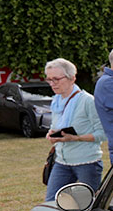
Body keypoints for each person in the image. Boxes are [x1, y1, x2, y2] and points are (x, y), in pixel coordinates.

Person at [44, 57, 105, 201]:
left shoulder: (88, 101)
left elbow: (103, 133)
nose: (52, 84)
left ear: (72, 78)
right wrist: (52, 135)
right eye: (49, 79)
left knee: (87, 204)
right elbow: (55, 127)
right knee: (52, 202)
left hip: (87, 163)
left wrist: (76, 138)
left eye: (56, 79)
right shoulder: (56, 101)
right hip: (61, 161)